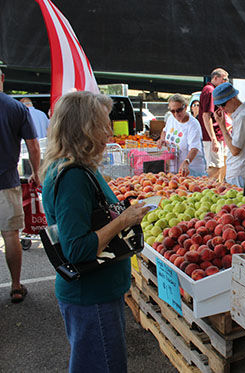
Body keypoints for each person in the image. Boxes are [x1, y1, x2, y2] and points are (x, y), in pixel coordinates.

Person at [41, 91, 150, 372]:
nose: (110, 132)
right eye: (103, 124)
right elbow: (77, 249)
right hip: (91, 298)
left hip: (96, 296)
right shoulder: (73, 176)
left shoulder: (75, 168)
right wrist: (123, 220)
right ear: (84, 129)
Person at [0, 67, 41, 303]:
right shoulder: (17, 108)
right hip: (6, 182)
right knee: (11, 235)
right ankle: (16, 286)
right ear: (3, 79)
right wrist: (36, 172)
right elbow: (33, 146)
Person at [213, 82, 245, 188]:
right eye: (219, 106)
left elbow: (235, 150)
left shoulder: (244, 117)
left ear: (233, 98)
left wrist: (222, 126)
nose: (222, 109)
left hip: (240, 172)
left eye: (223, 104)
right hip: (241, 171)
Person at [157, 94, 206, 176]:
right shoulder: (171, 119)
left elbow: (194, 148)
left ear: (185, 107)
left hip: (191, 170)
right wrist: (162, 139)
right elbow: (164, 131)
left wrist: (186, 162)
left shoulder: (193, 124)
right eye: (172, 111)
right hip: (174, 168)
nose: (176, 114)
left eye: (179, 110)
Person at [198, 68, 229, 180]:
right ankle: (213, 190)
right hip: (213, 136)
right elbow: (206, 116)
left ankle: (219, 189)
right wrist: (213, 139)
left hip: (218, 136)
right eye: (224, 79)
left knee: (221, 166)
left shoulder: (213, 90)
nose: (226, 82)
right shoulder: (210, 91)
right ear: (215, 78)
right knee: (215, 167)